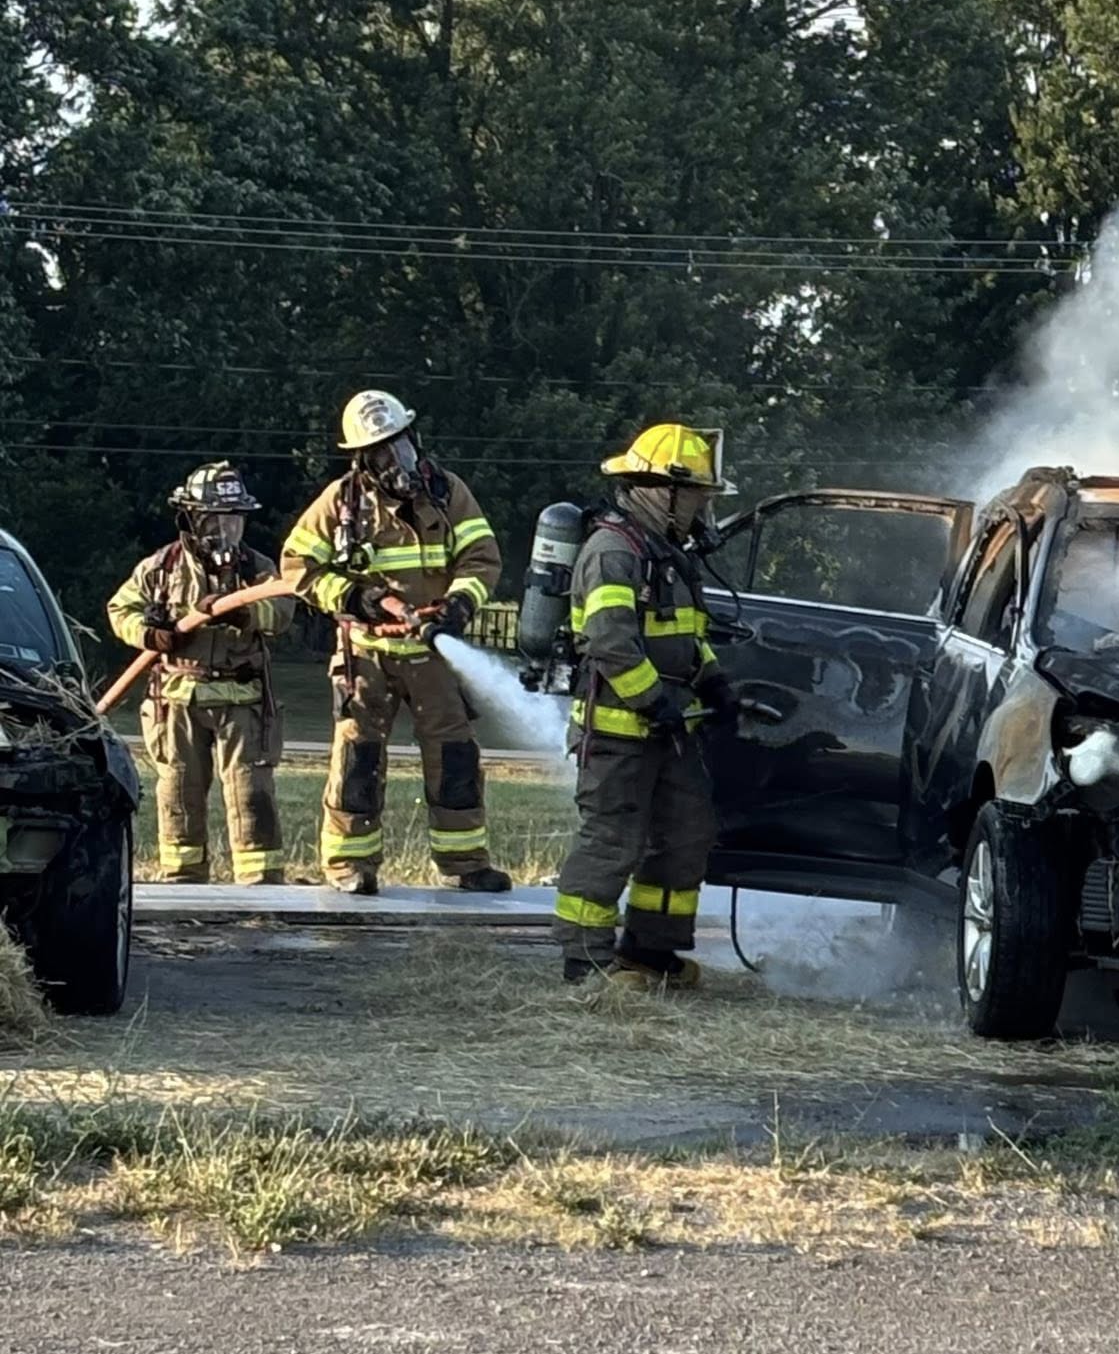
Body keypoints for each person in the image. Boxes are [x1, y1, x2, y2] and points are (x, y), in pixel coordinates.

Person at [279, 390, 509, 895]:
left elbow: (482, 558)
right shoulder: (341, 503)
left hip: (432, 655)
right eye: (382, 449)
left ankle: (465, 862)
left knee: (455, 757)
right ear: (362, 456)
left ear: (413, 437)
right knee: (357, 759)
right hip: (367, 655)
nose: (396, 457)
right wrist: (353, 597)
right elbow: (297, 564)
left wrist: (459, 604)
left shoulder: (449, 492)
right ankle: (348, 865)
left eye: (400, 443)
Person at [554, 423, 740, 985]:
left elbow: (685, 636)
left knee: (687, 834)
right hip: (618, 732)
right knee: (613, 840)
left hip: (669, 731)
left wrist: (713, 683)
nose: (702, 509)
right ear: (662, 490)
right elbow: (611, 641)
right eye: (697, 497)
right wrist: (654, 701)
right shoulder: (613, 552)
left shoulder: (667, 555)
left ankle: (651, 953)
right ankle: (585, 962)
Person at [107, 462, 295, 884]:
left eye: (233, 520)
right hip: (177, 697)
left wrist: (246, 611)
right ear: (190, 518)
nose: (225, 531)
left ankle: (261, 881)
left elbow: (283, 608)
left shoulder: (257, 569)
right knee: (178, 791)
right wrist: (149, 634)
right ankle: (182, 875)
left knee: (251, 792)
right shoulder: (161, 569)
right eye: (214, 519)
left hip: (243, 700)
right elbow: (120, 610)